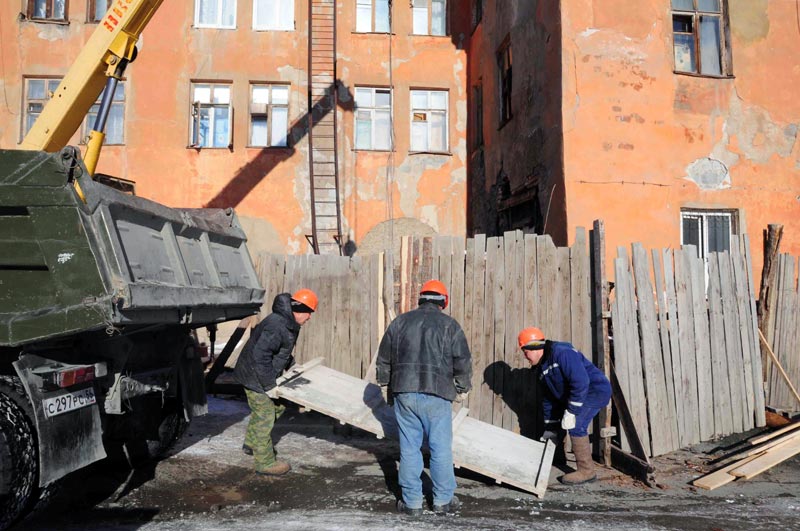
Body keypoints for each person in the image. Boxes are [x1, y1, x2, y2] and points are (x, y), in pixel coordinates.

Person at [377, 280, 472, 516]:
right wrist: (462, 387)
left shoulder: (399, 322)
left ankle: (412, 503)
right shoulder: (450, 325)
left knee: (409, 448)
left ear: (421, 299)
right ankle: (442, 501)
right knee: (440, 448)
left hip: (404, 392)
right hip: (437, 394)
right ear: (444, 301)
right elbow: (462, 361)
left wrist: (384, 383)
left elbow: (384, 358)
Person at [233, 288, 317, 476]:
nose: (310, 317)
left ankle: (252, 443)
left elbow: (279, 349)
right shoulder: (277, 325)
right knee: (265, 415)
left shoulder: (288, 323)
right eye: (309, 312)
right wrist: (269, 385)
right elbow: (260, 356)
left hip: (261, 372)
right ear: (299, 310)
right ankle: (265, 462)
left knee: (278, 407)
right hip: (254, 374)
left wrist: (292, 364)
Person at [517, 327, 611, 485]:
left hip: (594, 391)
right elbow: (548, 399)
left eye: (525, 352)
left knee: (576, 425)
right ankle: (559, 460)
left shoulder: (562, 353)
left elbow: (581, 382)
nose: (525, 357)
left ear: (533, 348)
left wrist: (572, 411)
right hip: (574, 395)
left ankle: (587, 471)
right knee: (559, 426)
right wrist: (550, 427)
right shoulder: (542, 368)